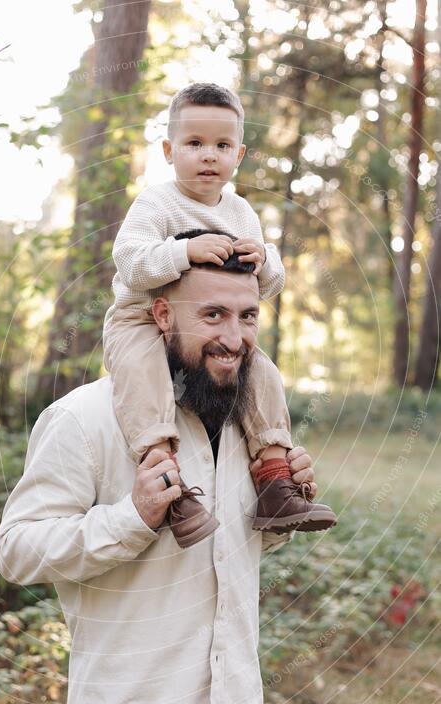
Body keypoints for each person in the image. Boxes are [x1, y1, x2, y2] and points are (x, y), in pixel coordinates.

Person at [0, 246, 324, 704]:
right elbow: (16, 549)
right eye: (212, 315)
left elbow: (232, 554)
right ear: (163, 316)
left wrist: (282, 508)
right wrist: (132, 517)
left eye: (247, 316)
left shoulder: (253, 426)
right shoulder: (85, 418)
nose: (235, 337)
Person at [103, 81, 336, 549]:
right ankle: (166, 482)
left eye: (222, 145)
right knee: (142, 374)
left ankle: (273, 479)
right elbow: (128, 259)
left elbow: (266, 285)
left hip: (206, 327)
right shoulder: (158, 202)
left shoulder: (241, 212)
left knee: (264, 373)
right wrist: (184, 250)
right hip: (139, 317)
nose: (208, 156)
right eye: (194, 144)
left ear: (239, 154)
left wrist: (264, 259)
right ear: (170, 151)